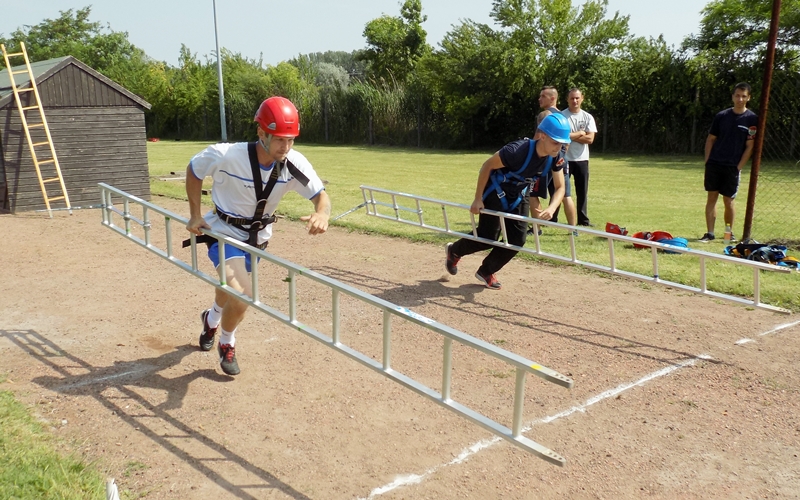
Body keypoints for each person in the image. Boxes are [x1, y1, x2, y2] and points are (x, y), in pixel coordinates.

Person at [184, 96, 331, 375]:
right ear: (261, 133)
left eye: (290, 140)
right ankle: (227, 343)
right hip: (223, 233)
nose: (285, 147)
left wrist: (322, 214)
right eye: (278, 139)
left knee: (229, 290)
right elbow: (194, 170)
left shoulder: (293, 162)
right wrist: (195, 213)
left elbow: (321, 197)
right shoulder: (227, 155)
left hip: (258, 240)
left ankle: (211, 319)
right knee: (243, 294)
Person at [444, 113, 572, 289]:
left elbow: (560, 187)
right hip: (497, 190)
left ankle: (486, 271)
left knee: (517, 240)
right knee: (487, 237)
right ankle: (454, 251)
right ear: (542, 136)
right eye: (556, 141)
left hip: (520, 193)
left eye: (562, 142)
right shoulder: (516, 151)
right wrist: (477, 199)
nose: (559, 146)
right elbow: (487, 166)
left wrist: (552, 207)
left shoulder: (556, 157)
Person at [700, 82, 758, 243]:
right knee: (712, 197)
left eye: (744, 96)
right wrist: (708, 161)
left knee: (728, 200)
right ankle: (710, 233)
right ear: (732, 97)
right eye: (737, 95)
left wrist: (738, 167)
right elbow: (711, 139)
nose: (740, 99)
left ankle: (728, 233)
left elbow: (750, 146)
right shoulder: (722, 116)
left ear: (748, 98)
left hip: (732, 166)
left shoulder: (752, 119)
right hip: (715, 163)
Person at [529, 86, 577, 230]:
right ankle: (573, 229)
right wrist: (560, 154)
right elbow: (567, 140)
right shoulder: (563, 116)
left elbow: (538, 139)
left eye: (543, 96)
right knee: (565, 195)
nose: (539, 99)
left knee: (532, 193)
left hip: (544, 160)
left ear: (552, 98)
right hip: (560, 159)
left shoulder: (546, 116)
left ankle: (537, 228)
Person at [561, 87, 597, 227]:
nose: (575, 101)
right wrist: (580, 133)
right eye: (572, 98)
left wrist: (572, 135)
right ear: (567, 99)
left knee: (582, 192)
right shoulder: (562, 116)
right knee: (560, 190)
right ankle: (552, 219)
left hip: (582, 159)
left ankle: (583, 220)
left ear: (582, 98)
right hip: (565, 159)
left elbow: (590, 139)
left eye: (577, 98)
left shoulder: (587, 117)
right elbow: (562, 136)